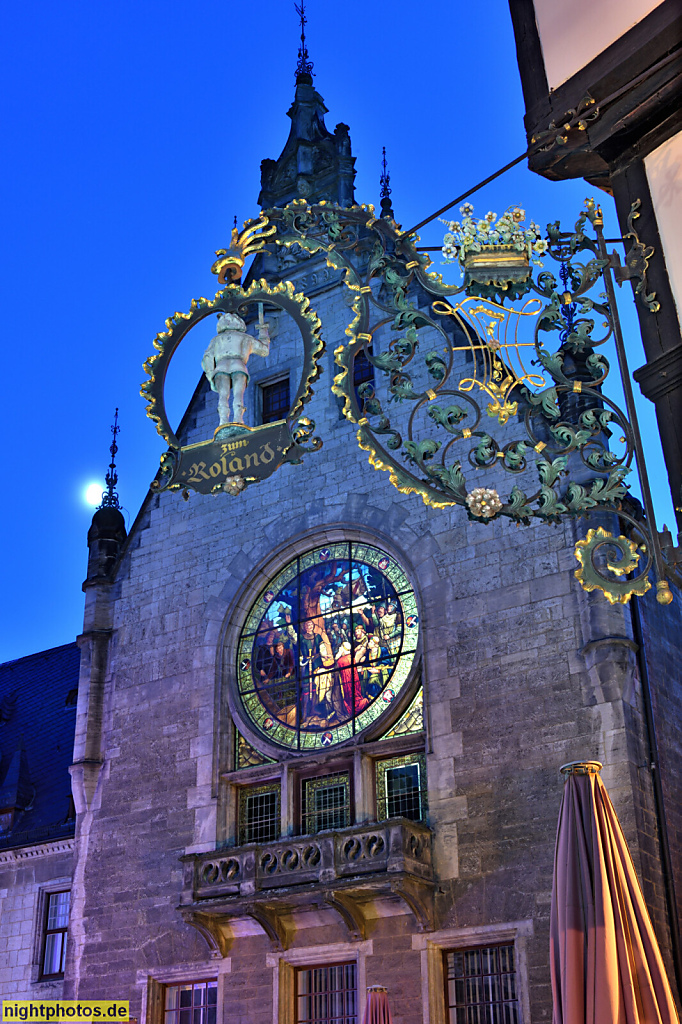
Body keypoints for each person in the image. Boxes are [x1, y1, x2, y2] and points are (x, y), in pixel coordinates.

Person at [201, 312, 270, 425]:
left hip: (221, 367)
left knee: (223, 395)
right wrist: (263, 333)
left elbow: (207, 357)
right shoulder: (245, 337)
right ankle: (238, 418)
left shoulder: (216, 339)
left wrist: (210, 374)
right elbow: (264, 350)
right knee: (238, 394)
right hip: (239, 365)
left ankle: (223, 421)